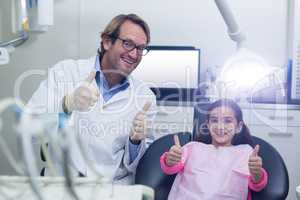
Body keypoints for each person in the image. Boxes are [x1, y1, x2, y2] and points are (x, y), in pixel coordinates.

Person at [26, 13, 157, 184]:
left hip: (109, 189)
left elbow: (141, 167)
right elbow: (28, 129)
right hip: (62, 184)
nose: (134, 54)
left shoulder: (145, 97)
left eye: (140, 48)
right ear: (107, 41)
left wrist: (135, 142)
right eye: (128, 44)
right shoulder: (65, 72)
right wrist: (66, 105)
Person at [160, 99, 268, 200]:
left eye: (227, 121)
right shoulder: (193, 148)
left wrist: (256, 173)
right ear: (208, 124)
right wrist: (170, 159)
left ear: (238, 127)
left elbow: (257, 185)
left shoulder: (246, 153)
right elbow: (170, 167)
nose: (220, 126)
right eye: (214, 120)